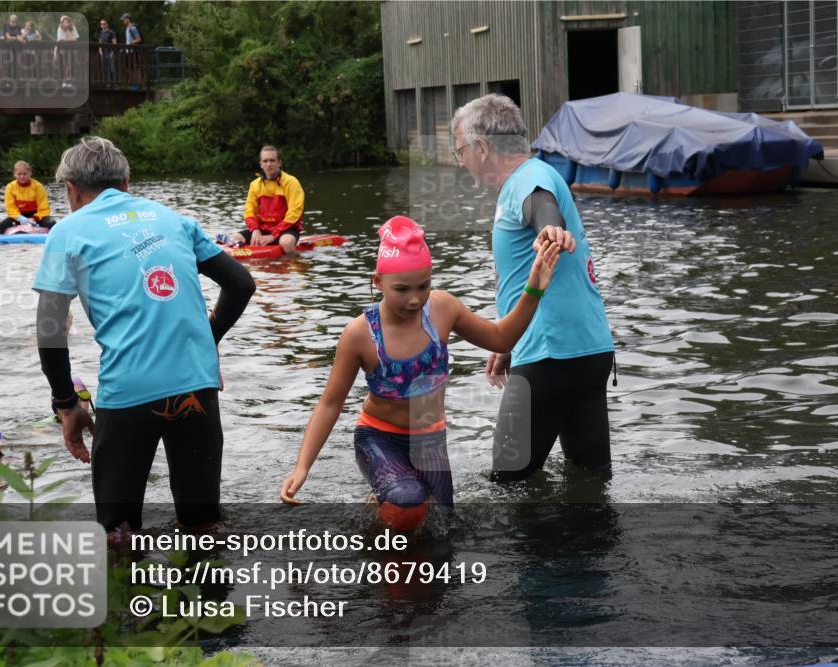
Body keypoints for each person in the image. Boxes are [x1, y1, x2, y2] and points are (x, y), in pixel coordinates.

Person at [280, 216, 561, 531]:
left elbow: (500, 339)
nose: (414, 299)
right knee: (407, 501)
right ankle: (383, 514)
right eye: (401, 289)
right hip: (379, 438)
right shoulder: (360, 334)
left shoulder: (443, 309)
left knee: (442, 528)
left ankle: (386, 508)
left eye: (423, 286)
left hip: (430, 441)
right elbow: (330, 403)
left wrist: (533, 290)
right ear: (378, 282)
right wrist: (302, 468)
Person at [34, 136, 256, 532]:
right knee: (203, 526)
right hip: (197, 384)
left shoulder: (66, 233)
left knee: (117, 535)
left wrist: (66, 404)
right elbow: (241, 284)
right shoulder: (174, 219)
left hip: (129, 391)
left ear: (71, 189)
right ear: (126, 182)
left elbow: (49, 330)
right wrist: (207, 341)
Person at [450, 94, 616, 483]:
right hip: (589, 351)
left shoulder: (527, 180)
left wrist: (550, 228)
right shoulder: (537, 173)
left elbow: (542, 208)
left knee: (507, 486)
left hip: (549, 355)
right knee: (589, 482)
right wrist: (508, 340)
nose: (460, 162)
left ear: (483, 147)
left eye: (461, 151)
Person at [227, 146, 304, 253]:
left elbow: (295, 212)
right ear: (261, 164)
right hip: (263, 229)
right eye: (265, 161)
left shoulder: (291, 182)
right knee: (233, 239)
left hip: (286, 229)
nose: (268, 164)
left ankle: (295, 260)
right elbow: (249, 211)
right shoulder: (255, 185)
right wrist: (255, 229)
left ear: (279, 163)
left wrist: (274, 235)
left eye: (272, 160)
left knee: (286, 242)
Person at [0, 161, 56, 234]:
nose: (22, 176)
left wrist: (35, 218)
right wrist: (20, 218)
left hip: (36, 217)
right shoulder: (10, 187)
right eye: (19, 174)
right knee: (0, 225)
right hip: (18, 217)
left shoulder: (38, 186)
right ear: (14, 174)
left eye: (25, 174)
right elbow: (10, 208)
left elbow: (44, 208)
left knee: (52, 223)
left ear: (30, 173)